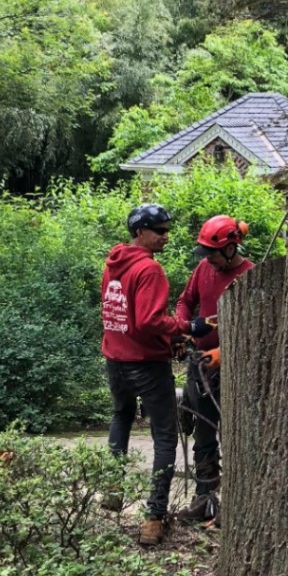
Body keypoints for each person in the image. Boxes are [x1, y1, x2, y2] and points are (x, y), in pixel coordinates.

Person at [102, 203, 186, 546]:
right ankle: (153, 518)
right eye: (159, 231)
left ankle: (111, 489)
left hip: (115, 358)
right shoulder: (149, 270)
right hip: (146, 363)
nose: (166, 236)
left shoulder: (114, 262)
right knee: (165, 436)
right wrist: (182, 328)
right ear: (140, 232)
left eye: (167, 230)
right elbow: (150, 321)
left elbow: (116, 311)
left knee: (121, 416)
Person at [174, 215, 253, 519]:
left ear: (232, 248)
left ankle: (238, 505)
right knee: (204, 434)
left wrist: (225, 351)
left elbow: (256, 329)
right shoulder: (204, 268)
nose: (208, 258)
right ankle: (203, 500)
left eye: (213, 252)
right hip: (200, 363)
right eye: (205, 253)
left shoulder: (249, 277)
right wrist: (183, 328)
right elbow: (185, 301)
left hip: (235, 369)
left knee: (234, 435)